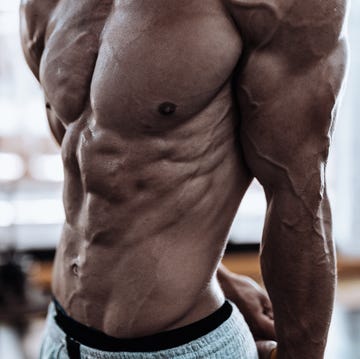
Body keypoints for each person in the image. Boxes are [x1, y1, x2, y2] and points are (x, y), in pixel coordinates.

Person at [20, 0, 347, 358]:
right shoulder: (45, 4)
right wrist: (210, 271)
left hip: (183, 346)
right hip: (59, 335)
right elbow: (96, 158)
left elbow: (299, 196)